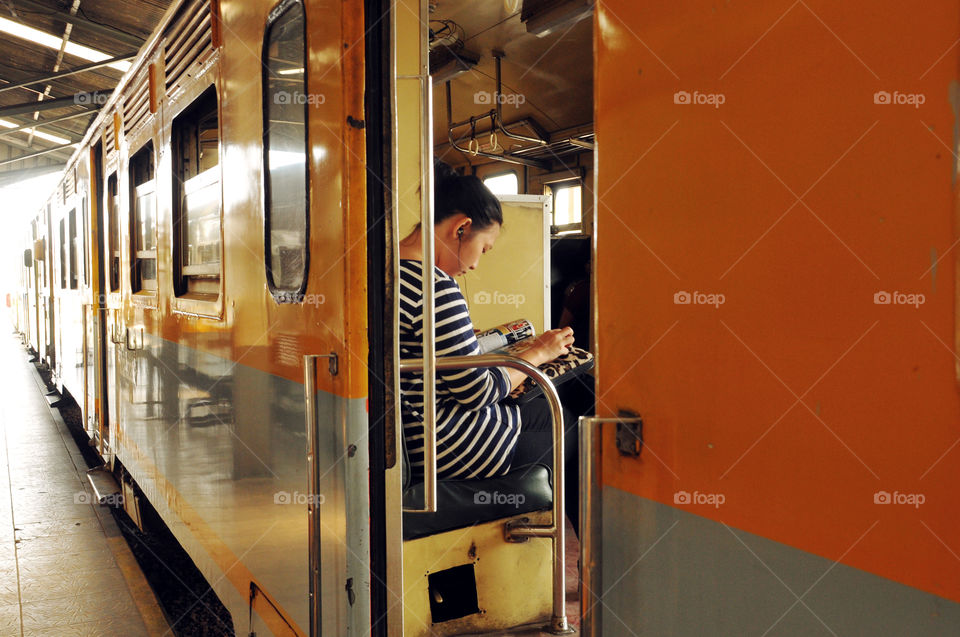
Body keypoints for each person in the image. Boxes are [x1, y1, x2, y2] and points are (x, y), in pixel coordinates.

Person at [399, 161, 580, 534]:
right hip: (444, 445)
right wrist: (539, 353)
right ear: (461, 228)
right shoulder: (435, 287)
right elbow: (476, 391)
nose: (477, 264)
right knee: (575, 427)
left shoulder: (390, 266)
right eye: (484, 248)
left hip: (416, 428)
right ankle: (592, 558)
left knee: (553, 408)